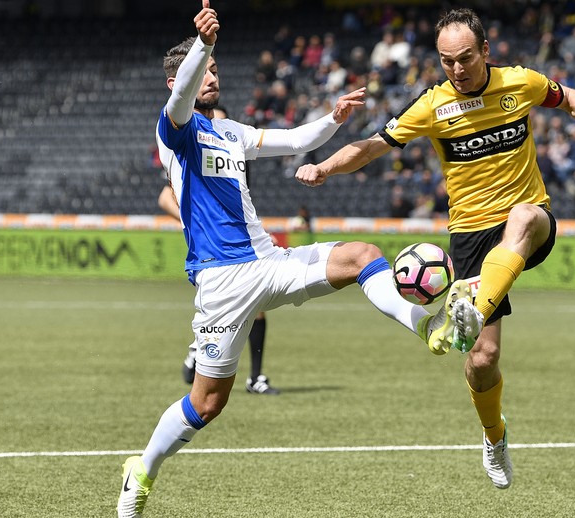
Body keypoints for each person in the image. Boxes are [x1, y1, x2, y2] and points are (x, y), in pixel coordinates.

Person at [118, 3, 464, 516]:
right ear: (179, 80)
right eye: (205, 70)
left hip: (270, 261)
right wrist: (203, 45)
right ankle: (141, 471)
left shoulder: (231, 132)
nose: (213, 75)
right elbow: (183, 93)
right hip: (221, 282)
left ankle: (430, 328)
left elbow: (297, 141)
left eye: (214, 68)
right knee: (206, 404)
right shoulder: (176, 128)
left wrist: (333, 118)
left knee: (364, 256)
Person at [295, 8, 575, 490]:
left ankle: (461, 312)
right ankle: (494, 437)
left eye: (466, 58)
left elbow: (568, 95)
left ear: (486, 51)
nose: (457, 68)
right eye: (447, 60)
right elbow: (372, 145)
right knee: (482, 360)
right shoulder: (431, 105)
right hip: (471, 236)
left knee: (522, 216)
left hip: (528, 217)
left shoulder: (521, 82)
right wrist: (325, 166)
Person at [158, 106, 280, 394]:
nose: (219, 128)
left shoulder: (234, 152)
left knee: (256, 309)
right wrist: (192, 220)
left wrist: (258, 236)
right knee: (237, 309)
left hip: (241, 249)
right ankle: (200, 347)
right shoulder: (190, 149)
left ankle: (255, 378)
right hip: (210, 250)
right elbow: (165, 195)